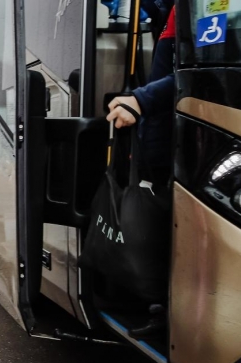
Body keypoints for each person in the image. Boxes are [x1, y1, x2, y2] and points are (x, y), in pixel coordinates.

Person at [106, 4, 175, 338]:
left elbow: (196, 75)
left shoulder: (202, 13)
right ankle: (159, 308)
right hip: (159, 144)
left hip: (179, 143)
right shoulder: (171, 12)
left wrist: (141, 100)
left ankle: (169, 314)